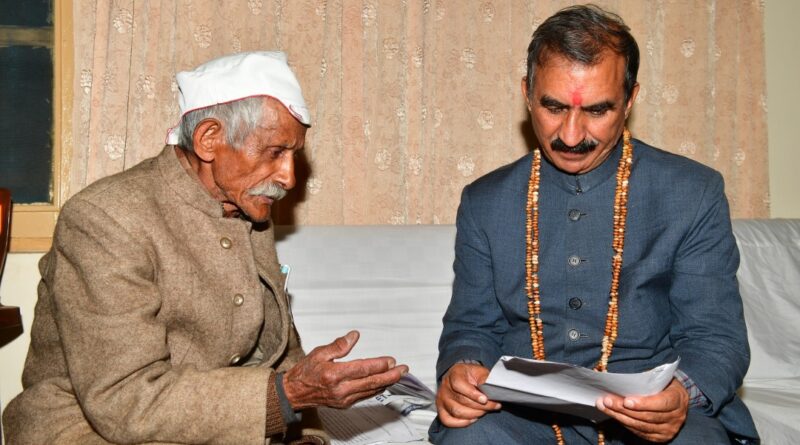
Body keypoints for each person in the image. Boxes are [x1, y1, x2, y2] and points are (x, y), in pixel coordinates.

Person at [2, 51, 408, 445]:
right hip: (89, 428)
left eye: (294, 155)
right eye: (275, 152)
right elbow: (123, 399)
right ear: (210, 139)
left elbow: (280, 352)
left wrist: (307, 435)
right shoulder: (105, 219)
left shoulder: (247, 206)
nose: (288, 176)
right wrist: (286, 395)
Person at [429, 5, 758, 445]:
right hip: (522, 418)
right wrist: (462, 368)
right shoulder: (484, 201)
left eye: (597, 110)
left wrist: (682, 395)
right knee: (467, 439)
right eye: (553, 106)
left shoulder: (694, 192)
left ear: (630, 100)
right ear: (527, 94)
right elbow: (471, 326)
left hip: (651, 414)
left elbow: (716, 338)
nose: (570, 135)